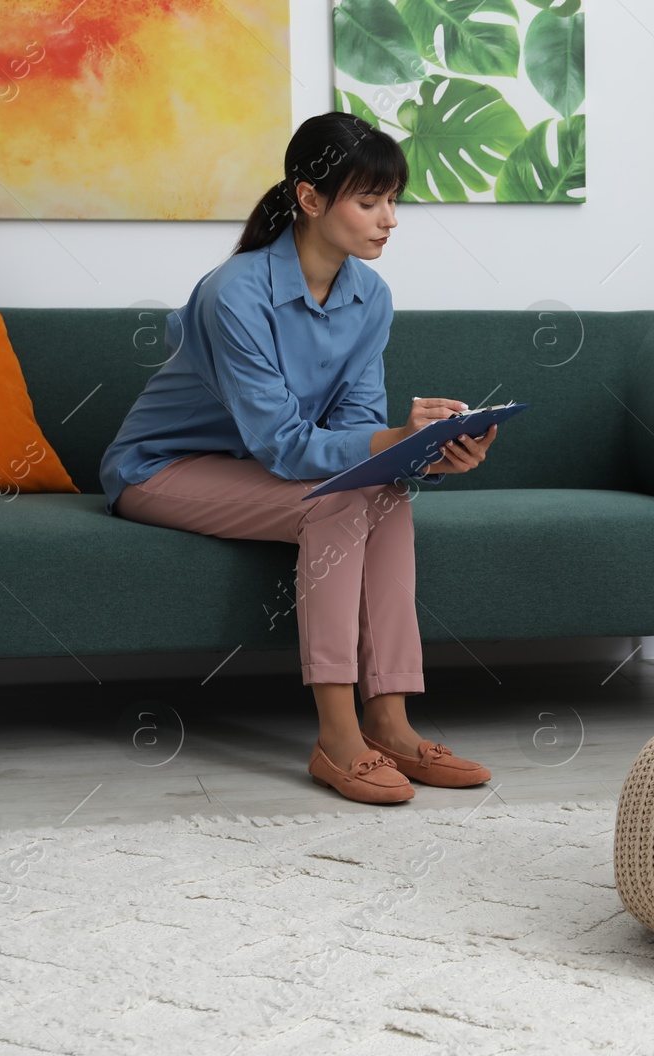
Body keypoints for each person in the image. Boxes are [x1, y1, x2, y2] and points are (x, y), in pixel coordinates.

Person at [100, 112, 494, 805]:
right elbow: (283, 443)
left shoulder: (369, 295)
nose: (389, 219)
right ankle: (337, 737)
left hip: (266, 466)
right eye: (369, 201)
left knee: (388, 495)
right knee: (342, 501)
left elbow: (357, 428)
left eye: (393, 200)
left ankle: (392, 723)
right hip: (163, 467)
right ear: (309, 199)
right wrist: (395, 441)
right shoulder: (235, 294)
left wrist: (427, 455)